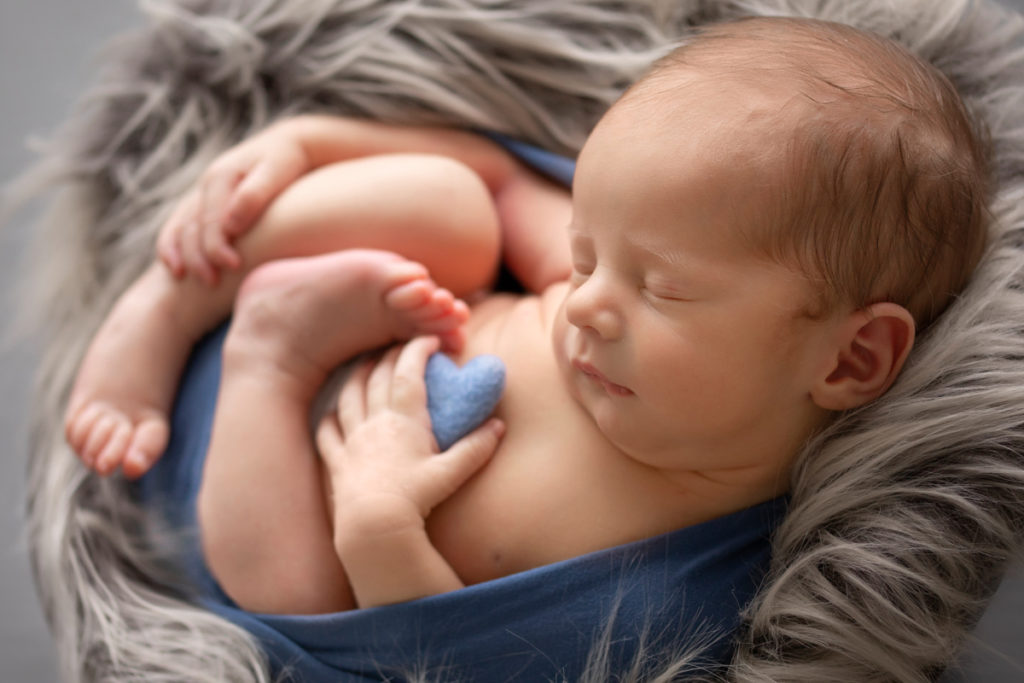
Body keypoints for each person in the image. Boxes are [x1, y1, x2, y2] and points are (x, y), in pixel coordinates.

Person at [63, 16, 989, 615]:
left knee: (297, 589)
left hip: (280, 491)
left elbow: (436, 660)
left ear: (852, 354)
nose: (582, 299)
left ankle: (263, 352)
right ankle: (173, 300)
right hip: (388, 300)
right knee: (452, 202)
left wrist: (380, 529)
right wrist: (303, 144)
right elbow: (500, 176)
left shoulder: (683, 578)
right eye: (586, 252)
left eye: (659, 287)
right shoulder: (613, 274)